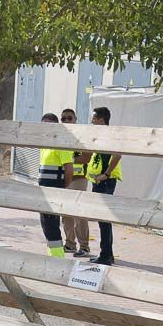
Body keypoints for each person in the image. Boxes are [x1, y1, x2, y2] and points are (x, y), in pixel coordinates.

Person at [86, 106, 121, 266]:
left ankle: (105, 255)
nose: (92, 122)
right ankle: (107, 254)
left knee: (103, 219)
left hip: (105, 181)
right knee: (103, 220)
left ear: (101, 119)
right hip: (99, 181)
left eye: (94, 119)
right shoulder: (101, 135)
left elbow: (117, 155)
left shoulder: (110, 135)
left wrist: (105, 174)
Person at [36, 113, 73, 258]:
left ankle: (57, 258)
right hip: (44, 192)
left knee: (51, 226)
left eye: (50, 125)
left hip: (54, 190)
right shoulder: (44, 145)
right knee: (47, 225)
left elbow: (69, 169)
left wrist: (63, 188)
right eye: (44, 125)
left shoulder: (60, 144)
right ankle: (53, 255)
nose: (47, 128)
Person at [59, 108, 91, 256]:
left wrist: (68, 160)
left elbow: (87, 157)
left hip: (78, 179)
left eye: (69, 118)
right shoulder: (60, 136)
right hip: (64, 179)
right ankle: (70, 244)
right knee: (65, 213)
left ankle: (84, 246)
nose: (66, 121)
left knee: (79, 213)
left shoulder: (81, 136)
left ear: (75, 119)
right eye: (63, 118)